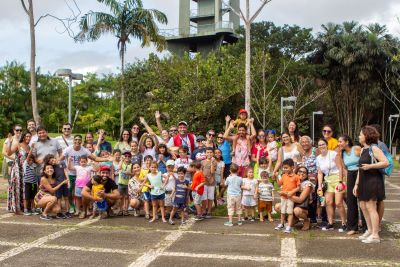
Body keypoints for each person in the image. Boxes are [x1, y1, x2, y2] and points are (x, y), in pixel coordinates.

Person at [354, 126, 388, 243]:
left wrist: (370, 166)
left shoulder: (374, 148)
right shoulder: (363, 149)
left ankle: (375, 235)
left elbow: (385, 162)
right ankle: (369, 230)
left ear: (366, 136)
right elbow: (360, 168)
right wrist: (356, 184)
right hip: (363, 181)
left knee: (371, 207)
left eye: (360, 134)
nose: (359, 136)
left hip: (373, 181)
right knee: (363, 206)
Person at [62, 134, 110, 214]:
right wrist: (69, 161)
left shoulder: (88, 167)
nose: (83, 163)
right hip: (78, 184)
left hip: (86, 185)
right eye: (81, 162)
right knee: (76, 196)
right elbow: (70, 168)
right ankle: (77, 209)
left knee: (86, 197)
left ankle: (87, 210)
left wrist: (93, 163)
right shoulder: (77, 166)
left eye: (84, 162)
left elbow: (97, 168)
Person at [316, 138, 346, 232]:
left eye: (323, 144)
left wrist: (341, 182)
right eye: (319, 145)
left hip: (338, 179)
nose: (321, 146)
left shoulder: (333, 154)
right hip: (328, 181)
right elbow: (320, 173)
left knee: (338, 202)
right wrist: (320, 186)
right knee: (328, 202)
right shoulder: (318, 158)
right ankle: (330, 223)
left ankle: (344, 223)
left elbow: (341, 168)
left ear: (327, 145)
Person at [339, 135, 361, 235]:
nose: (339, 144)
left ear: (347, 142)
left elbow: (364, 160)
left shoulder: (356, 148)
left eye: (340, 142)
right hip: (350, 175)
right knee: (351, 201)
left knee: (363, 202)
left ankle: (366, 227)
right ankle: (353, 227)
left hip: (361, 173)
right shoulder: (342, 153)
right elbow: (345, 168)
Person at [6, 130, 31, 214]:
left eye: (29, 136)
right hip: (17, 169)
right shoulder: (18, 145)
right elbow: (9, 153)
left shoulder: (29, 147)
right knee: (17, 188)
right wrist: (9, 142)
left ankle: (23, 207)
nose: (28, 138)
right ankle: (16, 208)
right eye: (26, 136)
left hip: (25, 170)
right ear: (23, 137)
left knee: (23, 189)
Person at [370, 124, 389, 227]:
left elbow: (386, 161)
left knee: (379, 200)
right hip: (374, 175)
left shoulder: (380, 145)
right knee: (375, 200)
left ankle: (378, 223)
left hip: (378, 175)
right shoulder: (374, 144)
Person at [275, 159, 300, 233]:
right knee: (282, 211)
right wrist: (276, 177)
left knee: (289, 212)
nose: (284, 169)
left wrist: (292, 192)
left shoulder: (296, 177)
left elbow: (298, 187)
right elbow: (279, 184)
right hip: (283, 197)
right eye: (283, 168)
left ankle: (289, 226)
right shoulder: (283, 176)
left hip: (290, 198)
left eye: (286, 167)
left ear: (292, 167)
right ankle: (282, 224)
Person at [300, 136, 319, 223]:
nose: (304, 143)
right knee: (310, 197)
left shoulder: (315, 150)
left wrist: (318, 177)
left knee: (316, 197)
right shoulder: (303, 153)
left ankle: (315, 218)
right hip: (307, 178)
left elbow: (320, 163)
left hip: (316, 176)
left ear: (310, 142)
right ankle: (310, 216)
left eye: (306, 141)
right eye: (302, 142)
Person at [289, 166, 315, 231]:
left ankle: (306, 220)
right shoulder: (292, 181)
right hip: (294, 204)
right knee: (278, 206)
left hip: (305, 207)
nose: (302, 173)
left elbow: (300, 200)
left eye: (304, 172)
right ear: (296, 172)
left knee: (297, 211)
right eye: (300, 171)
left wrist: (287, 195)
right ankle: (295, 219)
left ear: (307, 175)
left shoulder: (308, 184)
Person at [45, 154, 70, 218]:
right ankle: (59, 212)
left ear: (54, 157)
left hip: (65, 183)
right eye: (51, 162)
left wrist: (68, 180)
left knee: (66, 197)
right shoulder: (52, 167)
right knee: (59, 198)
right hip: (58, 184)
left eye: (53, 160)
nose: (53, 162)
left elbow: (65, 171)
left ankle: (67, 211)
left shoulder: (62, 162)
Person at [201, 147, 217, 218]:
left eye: (211, 152)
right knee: (204, 197)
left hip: (211, 182)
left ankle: (209, 211)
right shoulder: (202, 162)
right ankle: (204, 210)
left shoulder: (214, 162)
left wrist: (211, 162)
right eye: (207, 152)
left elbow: (212, 171)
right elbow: (201, 172)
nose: (209, 154)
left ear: (213, 153)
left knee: (210, 197)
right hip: (204, 182)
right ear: (205, 153)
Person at [117, 152, 133, 216]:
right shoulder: (122, 163)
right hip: (121, 183)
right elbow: (119, 168)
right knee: (120, 197)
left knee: (126, 197)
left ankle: (125, 209)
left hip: (127, 184)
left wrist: (129, 173)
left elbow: (133, 173)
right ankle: (120, 210)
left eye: (128, 156)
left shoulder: (131, 165)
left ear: (130, 158)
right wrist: (121, 159)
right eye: (125, 156)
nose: (127, 157)